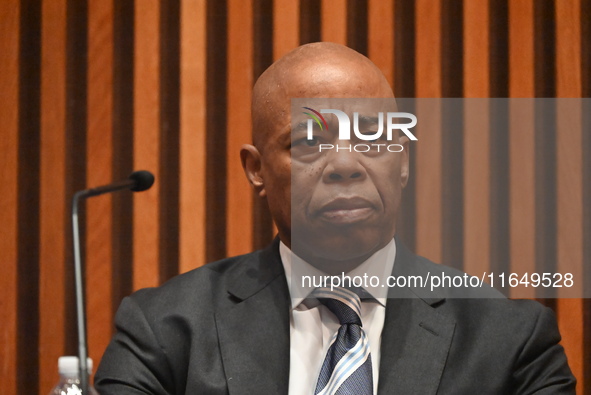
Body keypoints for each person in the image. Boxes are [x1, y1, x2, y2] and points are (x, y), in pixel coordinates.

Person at [95, 42, 575, 394]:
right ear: (256, 169)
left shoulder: (509, 341)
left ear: (403, 161)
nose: (345, 165)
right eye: (309, 142)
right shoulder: (164, 332)